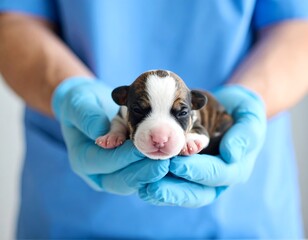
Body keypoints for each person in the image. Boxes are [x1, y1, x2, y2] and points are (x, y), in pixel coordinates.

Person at [0, 0, 308, 238]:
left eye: (179, 115)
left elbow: (297, 24)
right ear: (124, 102)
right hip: (72, 214)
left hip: (243, 218)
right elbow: (13, 18)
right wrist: (70, 92)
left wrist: (252, 98)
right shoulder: (120, 112)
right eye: (141, 111)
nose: (160, 134)